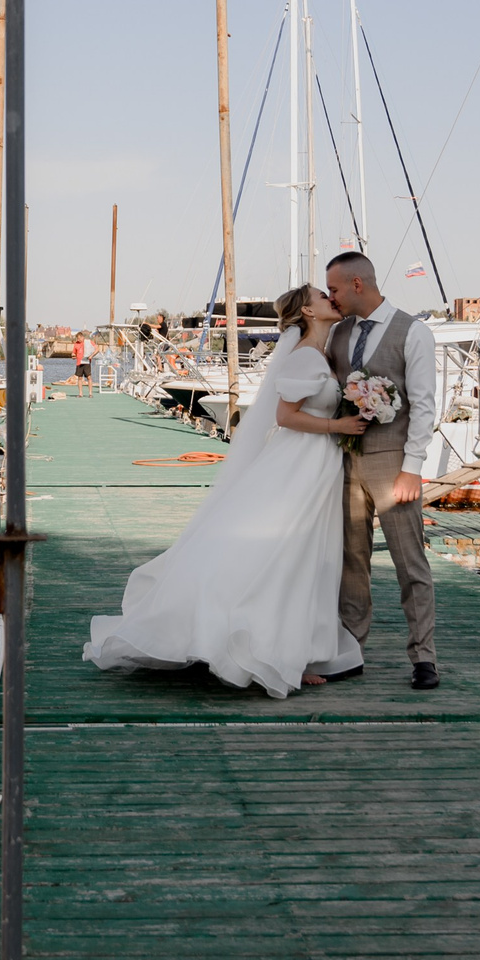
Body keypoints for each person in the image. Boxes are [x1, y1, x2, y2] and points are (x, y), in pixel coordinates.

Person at [82, 285, 366, 696]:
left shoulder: (318, 352)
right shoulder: (305, 353)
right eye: (324, 296)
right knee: (285, 553)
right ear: (307, 309)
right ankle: (272, 649)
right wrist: (337, 427)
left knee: (305, 555)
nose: (331, 300)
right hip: (299, 461)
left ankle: (296, 647)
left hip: (317, 463)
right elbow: (286, 417)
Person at [323, 251, 442, 689]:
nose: (331, 297)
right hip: (344, 462)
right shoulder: (337, 333)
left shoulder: (413, 332)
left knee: (409, 561)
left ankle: (424, 657)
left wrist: (412, 470)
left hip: (393, 465)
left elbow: (424, 406)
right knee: (351, 562)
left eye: (334, 288)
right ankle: (351, 649)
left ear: (358, 284)